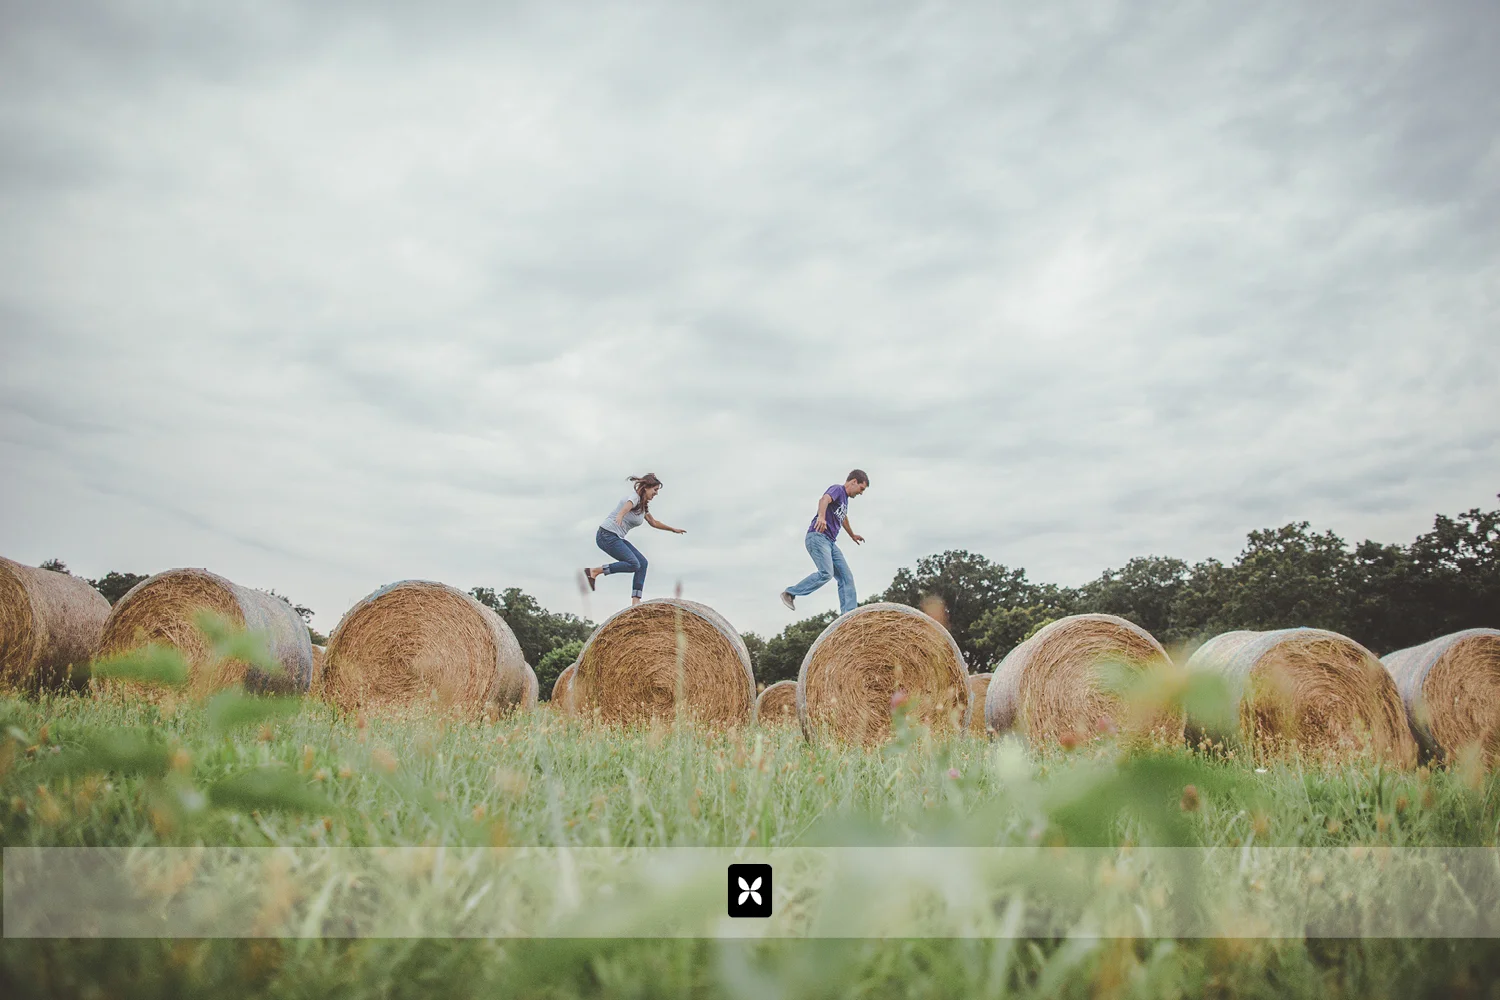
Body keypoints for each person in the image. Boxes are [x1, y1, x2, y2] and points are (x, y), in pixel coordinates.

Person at [582, 473, 685, 605]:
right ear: (646, 487)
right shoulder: (634, 497)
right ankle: (594, 571)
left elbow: (654, 522)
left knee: (642, 563)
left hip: (615, 537)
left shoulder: (642, 507)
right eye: (655, 490)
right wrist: (620, 515)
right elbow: (628, 505)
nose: (656, 494)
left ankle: (636, 600)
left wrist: (672, 529)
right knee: (633, 564)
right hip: (606, 535)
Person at [780, 470, 868, 614]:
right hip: (818, 537)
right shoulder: (838, 489)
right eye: (861, 488)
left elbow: (843, 517)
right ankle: (790, 593)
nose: (861, 493)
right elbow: (824, 500)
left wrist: (852, 535)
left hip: (831, 543)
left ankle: (849, 617)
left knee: (847, 578)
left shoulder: (844, 500)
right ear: (854, 482)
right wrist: (821, 516)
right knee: (827, 573)